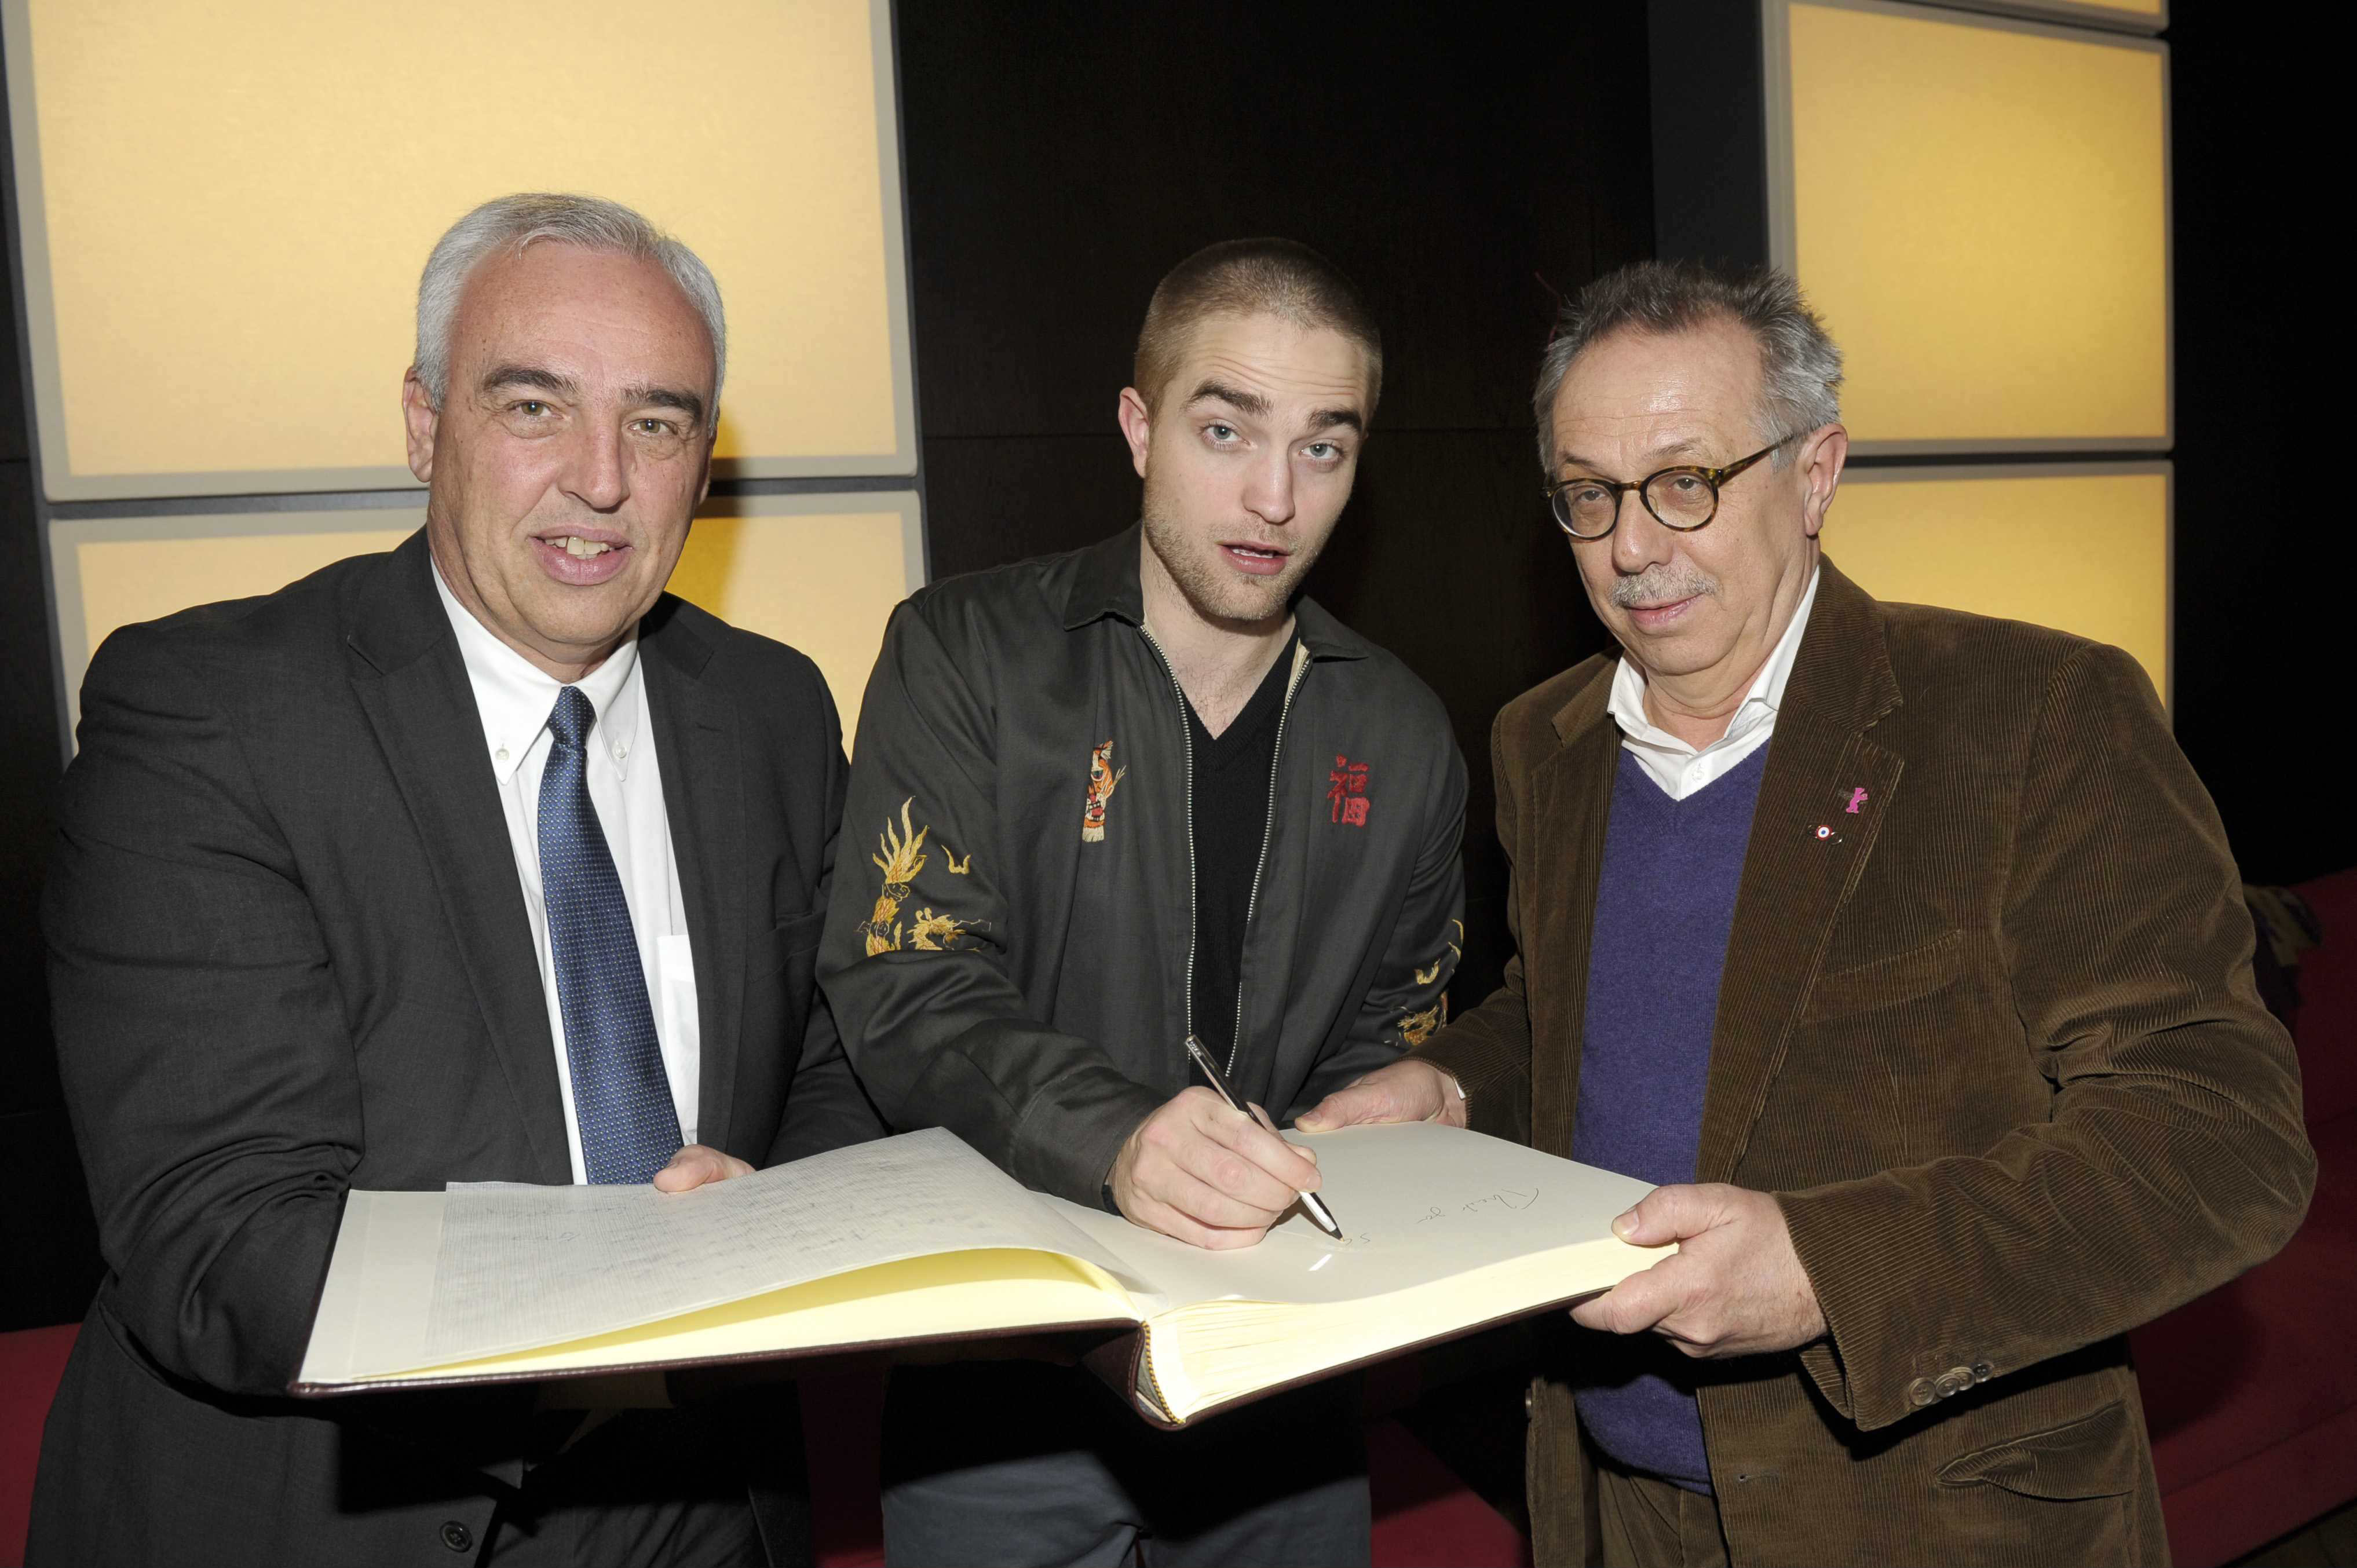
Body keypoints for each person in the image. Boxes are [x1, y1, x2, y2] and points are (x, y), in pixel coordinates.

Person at [1300, 259, 2315, 1566]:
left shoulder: (2031, 713)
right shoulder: (1542, 741)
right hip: (1613, 1500)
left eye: (1685, 482)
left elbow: (2218, 1137)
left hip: (1933, 1522)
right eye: (1588, 494)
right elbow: (1561, 1013)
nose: (1631, 547)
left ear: (1816, 472)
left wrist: (1830, 1268)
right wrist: (1448, 1088)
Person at [31, 192, 880, 1567]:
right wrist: (652, 1277)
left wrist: (779, 1222)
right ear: (425, 425)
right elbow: (218, 1230)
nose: (600, 478)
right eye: (534, 406)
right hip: (336, 1507)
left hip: (701, 1493)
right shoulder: (209, 712)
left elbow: (842, 1072)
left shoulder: (774, 710)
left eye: (656, 422)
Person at [817, 238, 1468, 1566]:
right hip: (998, 1378)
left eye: (1324, 447)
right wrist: (1118, 1137)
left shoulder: (1402, 732)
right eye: (1225, 430)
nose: (1273, 496)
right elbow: (908, 985)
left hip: (1282, 1371)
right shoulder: (965, 654)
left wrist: (1396, 1103)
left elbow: (1391, 1028)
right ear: (1137, 426)